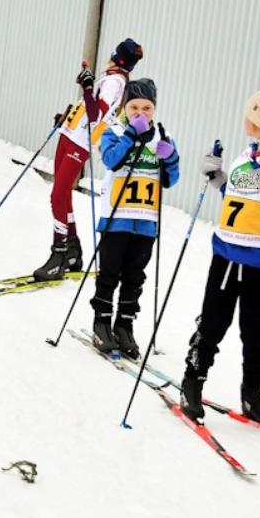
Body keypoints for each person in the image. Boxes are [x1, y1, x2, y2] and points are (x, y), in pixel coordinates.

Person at [179, 84, 260, 426]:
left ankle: (253, 393)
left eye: (251, 114)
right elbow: (240, 195)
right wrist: (219, 179)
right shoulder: (250, 150)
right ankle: (192, 381)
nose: (246, 119)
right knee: (212, 322)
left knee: (256, 333)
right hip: (227, 252)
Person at [33, 38, 143, 282]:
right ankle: (72, 249)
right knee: (62, 196)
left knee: (58, 195)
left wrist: (86, 87)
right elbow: (88, 110)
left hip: (78, 143)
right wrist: (69, 114)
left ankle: (59, 253)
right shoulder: (111, 79)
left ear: (116, 55)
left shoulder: (115, 82)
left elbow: (97, 116)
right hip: (70, 134)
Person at [87, 79, 180, 359]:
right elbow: (112, 160)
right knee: (110, 272)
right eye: (134, 107)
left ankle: (125, 325)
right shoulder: (114, 131)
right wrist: (130, 134)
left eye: (147, 107)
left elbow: (170, 180)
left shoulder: (162, 135)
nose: (141, 112)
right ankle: (101, 322)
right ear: (125, 107)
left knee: (134, 275)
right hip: (117, 217)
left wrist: (170, 156)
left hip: (146, 220)